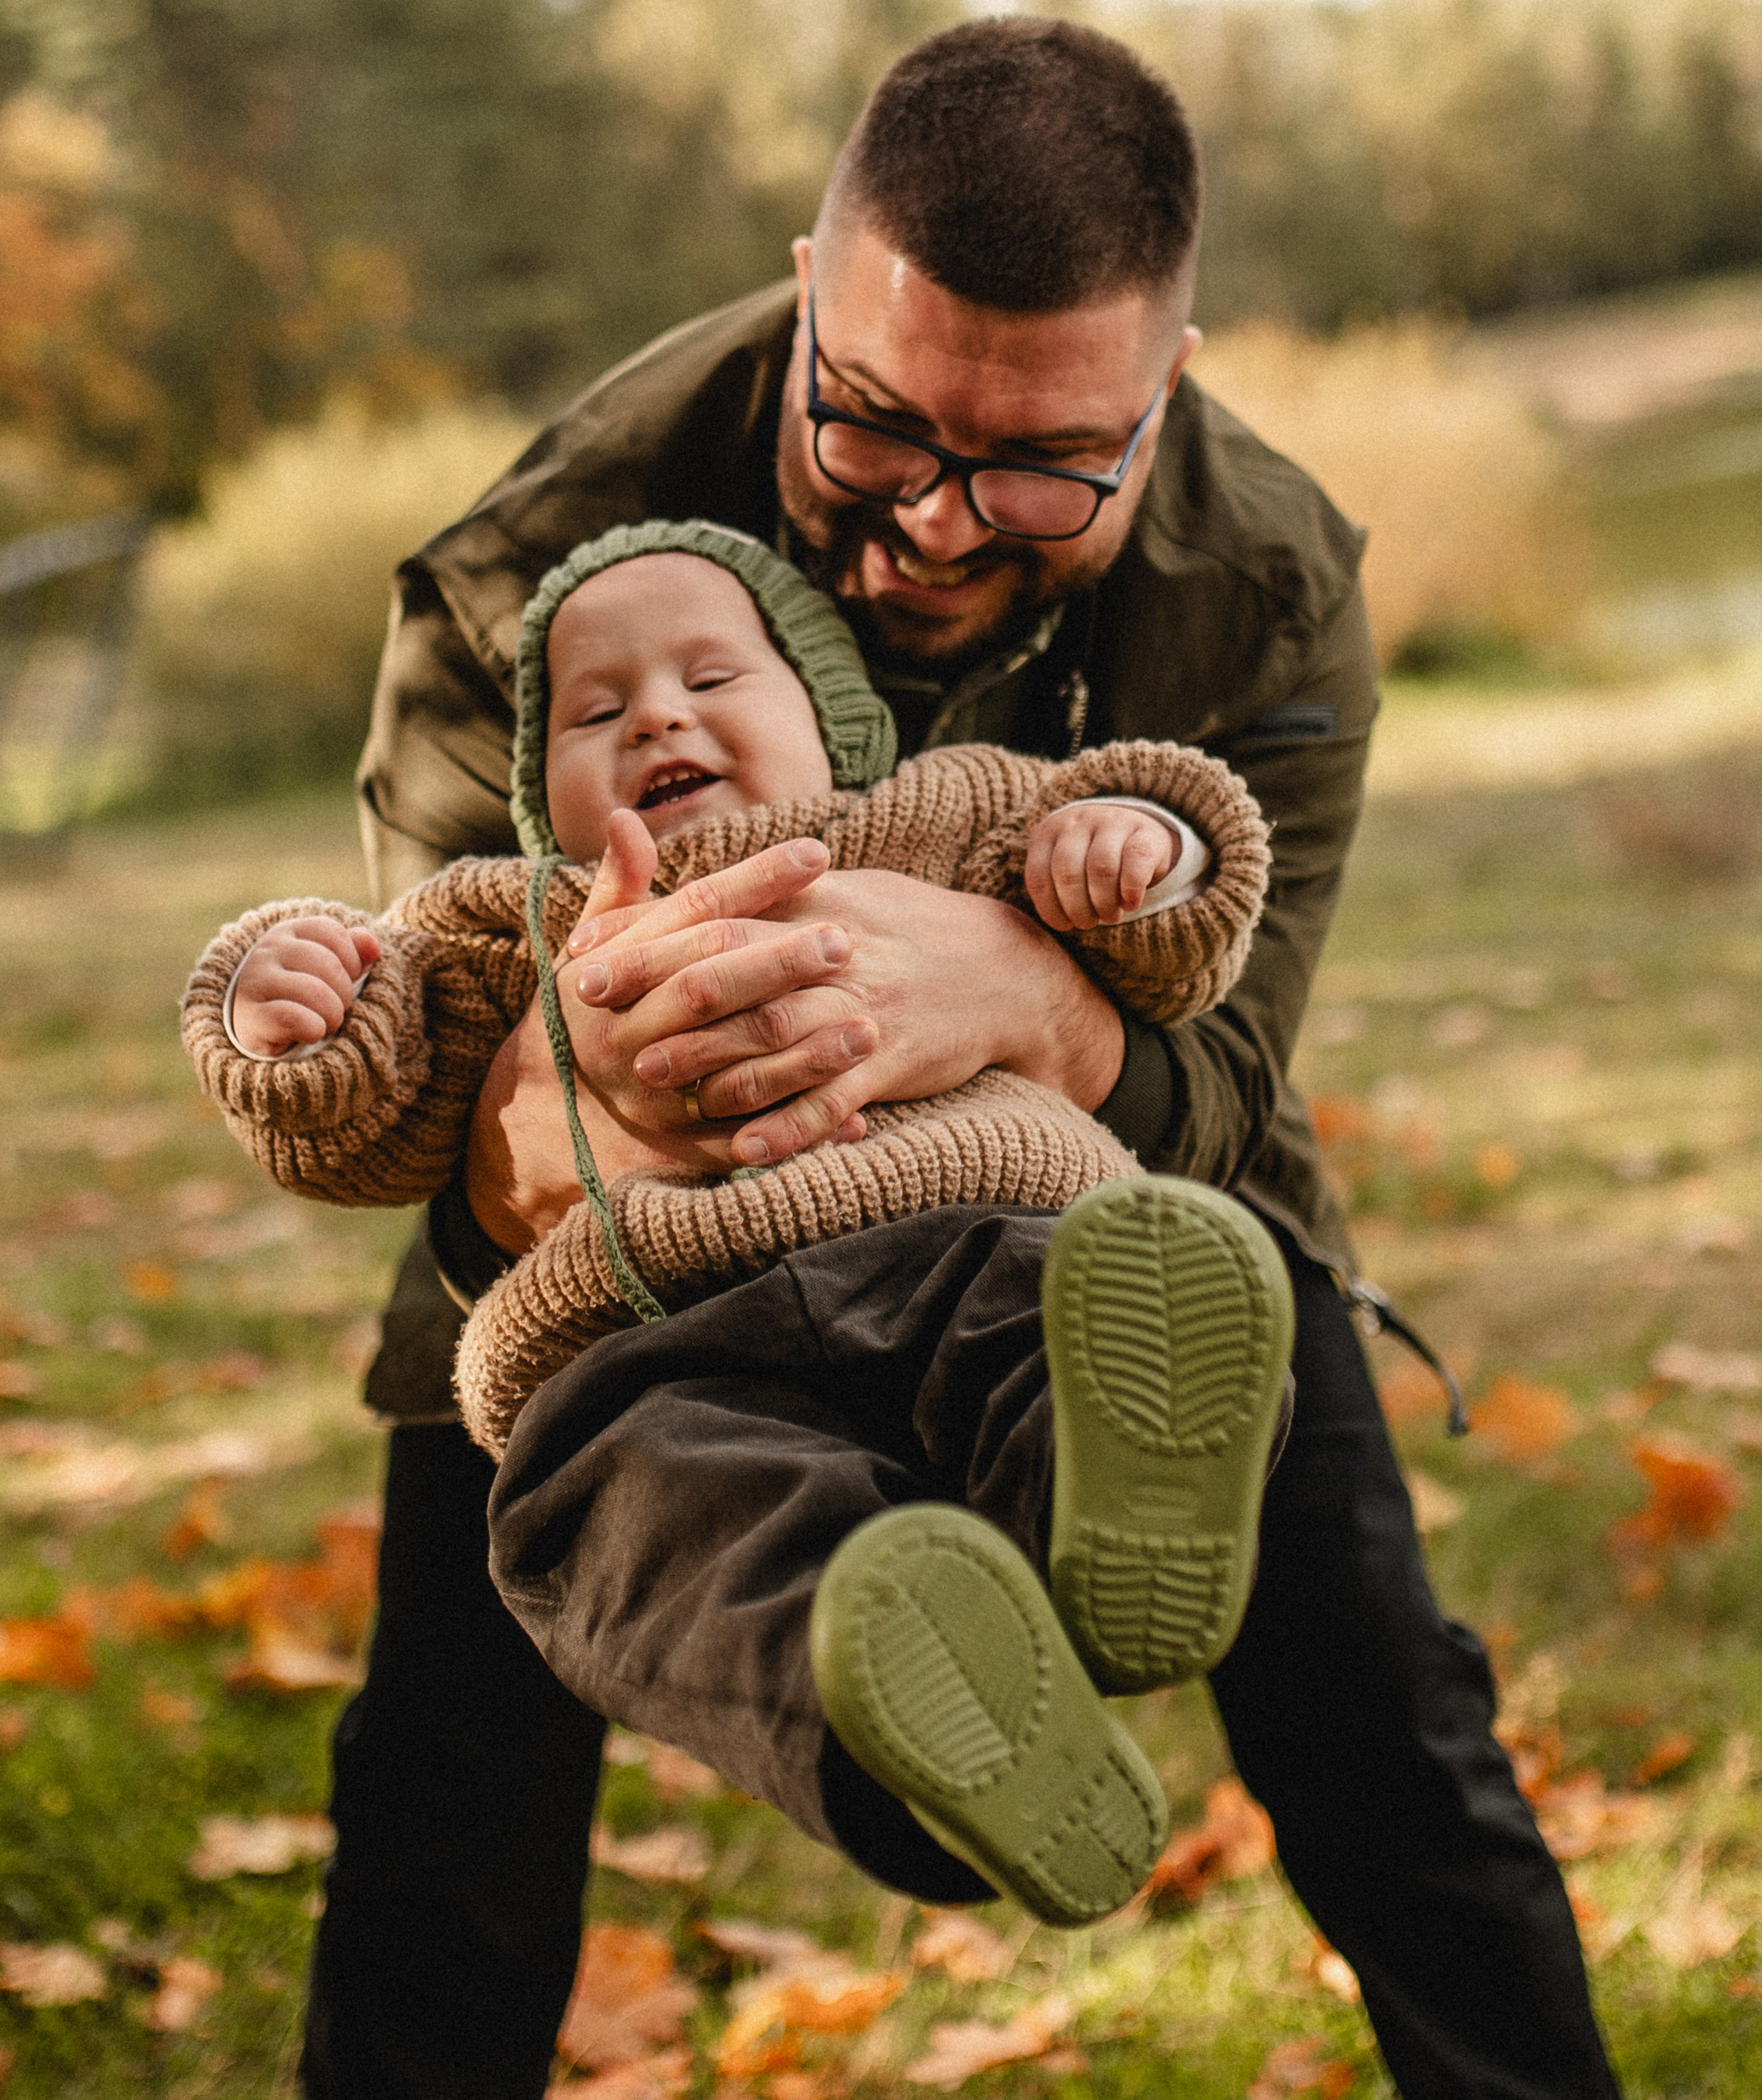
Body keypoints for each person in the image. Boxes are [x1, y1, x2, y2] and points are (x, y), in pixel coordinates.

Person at [309, 19, 1619, 2100]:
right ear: (806, 285)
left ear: (1160, 385)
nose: (932, 524)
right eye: (876, 431)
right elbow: (443, 1070)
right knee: (451, 1780)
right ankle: (900, 1732)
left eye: (1037, 467)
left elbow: (1233, 1055)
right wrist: (570, 1115)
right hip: (614, 1247)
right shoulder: (531, 559)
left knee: (1380, 1712)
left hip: (1091, 1204)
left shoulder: (1264, 579)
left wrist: (1031, 994)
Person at [185, 515, 1287, 1928]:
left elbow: (1173, 931)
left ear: (829, 716)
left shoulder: (942, 815)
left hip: (956, 1232)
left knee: (1069, 1311)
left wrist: (1139, 847)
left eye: (711, 679)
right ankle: (906, 1713)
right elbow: (354, 1115)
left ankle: (1106, 1507)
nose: (655, 715)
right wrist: (279, 1008)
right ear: (543, 795)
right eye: (596, 710)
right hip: (650, 1343)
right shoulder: (496, 926)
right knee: (626, 1514)